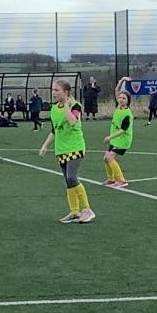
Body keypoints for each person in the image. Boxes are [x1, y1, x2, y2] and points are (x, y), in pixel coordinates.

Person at [38, 79, 94, 223]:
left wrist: (67, 106)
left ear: (66, 92)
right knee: (68, 182)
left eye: (57, 90)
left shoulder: (75, 106)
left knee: (72, 178)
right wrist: (45, 145)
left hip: (75, 147)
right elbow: (54, 130)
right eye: (53, 90)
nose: (53, 93)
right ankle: (74, 211)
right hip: (61, 150)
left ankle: (87, 209)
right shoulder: (54, 109)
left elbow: (73, 121)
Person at [102, 88, 134, 188]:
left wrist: (109, 137)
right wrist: (121, 81)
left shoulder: (127, 114)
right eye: (120, 97)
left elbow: (123, 130)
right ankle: (111, 180)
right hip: (115, 140)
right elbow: (116, 90)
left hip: (123, 140)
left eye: (124, 98)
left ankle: (121, 180)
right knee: (105, 158)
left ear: (128, 101)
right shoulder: (118, 107)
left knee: (110, 157)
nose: (121, 99)